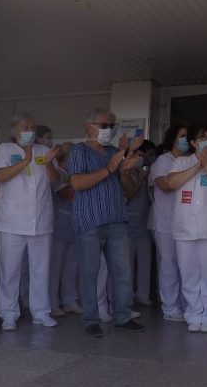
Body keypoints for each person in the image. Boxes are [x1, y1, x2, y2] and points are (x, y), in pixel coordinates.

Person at [67, 108, 148, 338]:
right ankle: (91, 319)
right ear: (89, 126)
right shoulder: (78, 151)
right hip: (90, 220)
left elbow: (128, 187)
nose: (108, 130)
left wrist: (124, 169)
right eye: (103, 125)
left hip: (116, 219)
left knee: (122, 271)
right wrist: (109, 168)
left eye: (111, 126)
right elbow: (77, 183)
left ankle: (122, 316)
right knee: (89, 273)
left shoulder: (114, 151)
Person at [0, 112, 60, 330]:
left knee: (40, 269)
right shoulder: (4, 150)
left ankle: (41, 312)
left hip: (40, 221)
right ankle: (9, 314)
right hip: (11, 221)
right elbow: (1, 176)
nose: (30, 132)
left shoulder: (44, 151)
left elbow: (55, 181)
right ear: (14, 131)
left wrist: (48, 164)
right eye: (25, 128)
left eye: (33, 128)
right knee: (9, 270)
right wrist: (26, 160)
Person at [165, 123, 207, 332]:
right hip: (185, 226)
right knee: (188, 272)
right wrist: (198, 165)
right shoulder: (180, 161)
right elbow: (171, 183)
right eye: (202, 137)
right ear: (193, 142)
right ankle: (193, 313)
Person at [149, 124, 188, 322]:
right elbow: (164, 185)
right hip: (165, 221)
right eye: (182, 136)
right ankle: (170, 307)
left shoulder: (189, 161)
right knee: (169, 264)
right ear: (172, 138)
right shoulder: (164, 161)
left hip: (185, 222)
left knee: (185, 265)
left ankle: (184, 303)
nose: (186, 139)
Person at [49, 141, 81, 315]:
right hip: (59, 225)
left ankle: (70, 299)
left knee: (72, 265)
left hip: (75, 224)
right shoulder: (58, 173)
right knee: (56, 266)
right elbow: (63, 193)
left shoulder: (74, 174)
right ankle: (52, 302)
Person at [126, 142, 155, 306]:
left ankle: (143, 294)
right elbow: (127, 196)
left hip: (144, 224)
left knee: (145, 263)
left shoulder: (146, 174)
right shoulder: (126, 173)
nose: (141, 159)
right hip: (128, 224)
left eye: (142, 157)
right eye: (138, 156)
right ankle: (127, 296)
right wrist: (139, 182)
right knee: (127, 264)